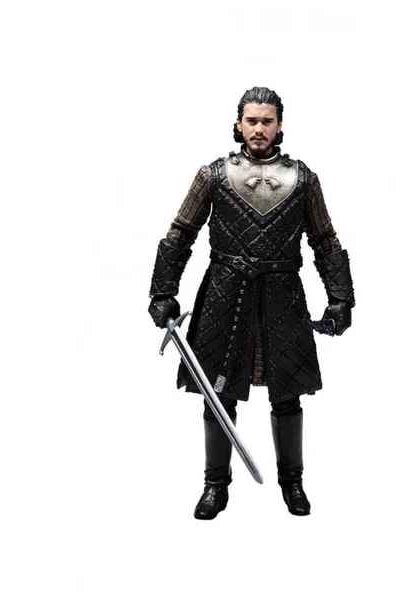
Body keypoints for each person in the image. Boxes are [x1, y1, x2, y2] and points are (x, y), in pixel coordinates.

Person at [148, 87, 355, 519]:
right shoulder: (213, 175)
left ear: (279, 126)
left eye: (267, 121)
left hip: (284, 294)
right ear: (238, 124)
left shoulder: (303, 179)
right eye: (252, 120)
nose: (259, 128)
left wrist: (340, 297)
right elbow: (181, 232)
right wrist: (163, 291)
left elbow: (324, 239)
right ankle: (215, 486)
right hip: (224, 293)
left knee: (288, 394)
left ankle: (292, 482)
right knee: (218, 395)